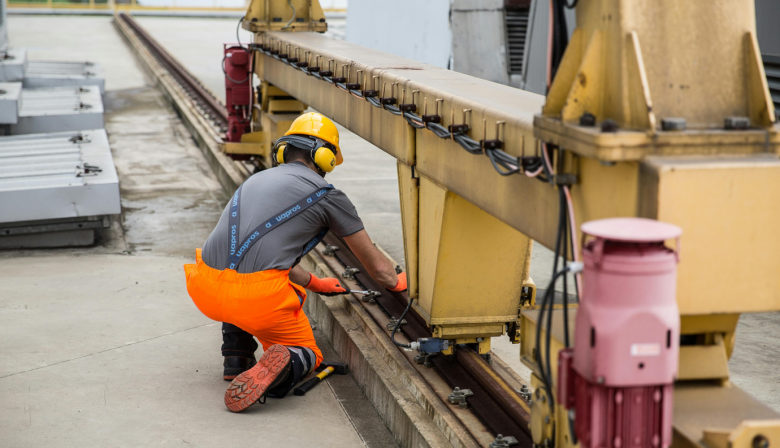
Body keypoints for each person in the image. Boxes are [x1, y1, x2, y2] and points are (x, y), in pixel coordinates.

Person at [184, 112, 406, 412]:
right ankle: (287, 364)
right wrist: (401, 281)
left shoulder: (256, 179)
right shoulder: (328, 195)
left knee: (238, 271)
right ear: (326, 158)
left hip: (204, 286)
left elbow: (263, 253)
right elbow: (381, 271)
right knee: (309, 353)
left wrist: (316, 282)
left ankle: (236, 358)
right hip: (258, 300)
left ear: (283, 150)